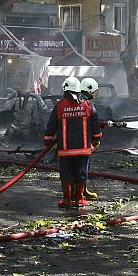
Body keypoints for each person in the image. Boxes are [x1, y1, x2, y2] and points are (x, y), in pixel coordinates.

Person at [44, 77, 102, 208]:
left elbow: (51, 125)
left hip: (65, 149)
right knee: (81, 173)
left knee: (66, 174)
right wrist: (96, 139)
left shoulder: (59, 106)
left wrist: (47, 141)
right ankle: (79, 200)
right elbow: (95, 125)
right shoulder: (88, 105)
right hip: (83, 149)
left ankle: (67, 200)